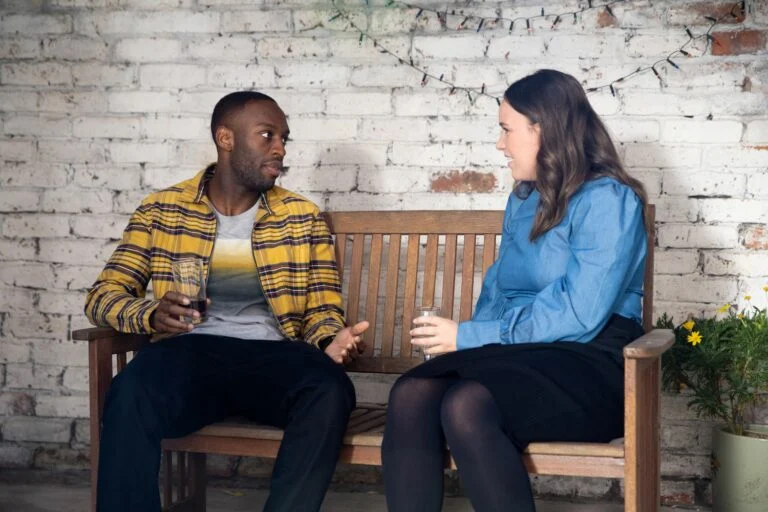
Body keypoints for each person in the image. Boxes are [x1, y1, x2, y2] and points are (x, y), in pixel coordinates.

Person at [84, 91, 369, 512]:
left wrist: (331, 340)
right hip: (190, 355)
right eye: (267, 135)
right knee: (131, 391)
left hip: (273, 357)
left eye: (284, 138)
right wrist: (151, 314)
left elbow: (322, 310)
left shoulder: (301, 216)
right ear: (226, 138)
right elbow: (102, 296)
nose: (280, 148)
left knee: (330, 389)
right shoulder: (162, 210)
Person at [381, 69, 649, 512]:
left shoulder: (609, 199)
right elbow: (499, 291)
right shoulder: (523, 199)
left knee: (466, 403)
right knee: (412, 393)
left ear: (543, 129)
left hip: (591, 359)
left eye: (507, 130)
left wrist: (469, 337)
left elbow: (581, 313)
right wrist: (467, 346)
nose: (500, 144)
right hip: (523, 354)